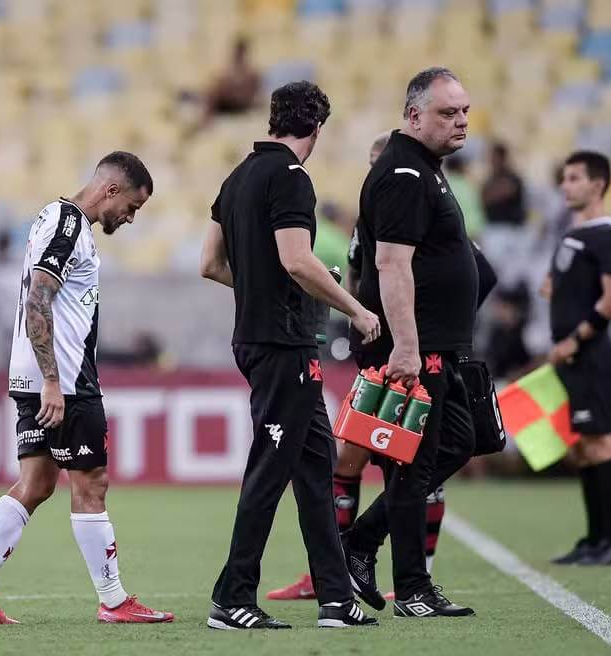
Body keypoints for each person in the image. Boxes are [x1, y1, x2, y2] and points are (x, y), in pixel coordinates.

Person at [268, 132, 498, 603]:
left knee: (430, 452)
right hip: (397, 348)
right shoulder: (396, 199)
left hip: (421, 345)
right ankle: (399, 578)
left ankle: (362, 547)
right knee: (391, 459)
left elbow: (472, 271)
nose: (377, 177)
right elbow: (368, 276)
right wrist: (368, 323)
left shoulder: (418, 200)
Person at [0, 152, 174, 625]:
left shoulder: (59, 222)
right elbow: (38, 298)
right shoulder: (69, 224)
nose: (131, 218)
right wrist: (53, 381)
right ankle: (114, 601)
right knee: (92, 483)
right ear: (111, 189)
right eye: (132, 207)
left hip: (36, 377)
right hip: (64, 381)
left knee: (36, 482)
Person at [199, 81, 380, 630]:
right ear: (316, 129)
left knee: (315, 469)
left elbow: (209, 263)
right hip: (284, 345)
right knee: (268, 471)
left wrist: (257, 289)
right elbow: (298, 260)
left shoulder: (235, 179)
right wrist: (357, 309)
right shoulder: (293, 178)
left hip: (257, 340)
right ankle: (233, 597)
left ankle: (334, 598)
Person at [343, 67, 478, 618]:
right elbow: (391, 264)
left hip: (434, 345)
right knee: (413, 466)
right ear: (414, 115)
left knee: (456, 444)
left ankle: (359, 540)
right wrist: (406, 347)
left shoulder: (424, 168)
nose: (462, 122)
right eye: (449, 113)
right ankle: (413, 589)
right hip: (415, 350)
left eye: (466, 111)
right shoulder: (403, 171)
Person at [544, 151, 611, 566]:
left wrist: (575, 338)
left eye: (574, 178)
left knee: (600, 442)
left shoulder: (605, 237)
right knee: (580, 447)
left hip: (591, 356)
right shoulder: (573, 234)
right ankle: (595, 539)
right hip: (571, 358)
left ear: (598, 185)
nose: (566, 185)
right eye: (564, 177)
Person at [481, 142, 526, 227]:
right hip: (493, 226)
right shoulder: (490, 180)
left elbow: (503, 191)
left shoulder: (513, 178)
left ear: (502, 158)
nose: (491, 161)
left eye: (494, 157)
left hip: (511, 228)